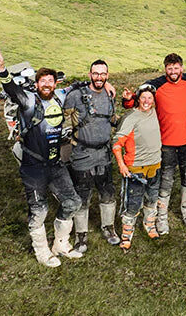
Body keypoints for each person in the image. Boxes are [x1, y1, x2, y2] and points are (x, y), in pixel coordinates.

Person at [0, 46, 82, 267]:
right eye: (43, 81)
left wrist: (102, 84)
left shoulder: (60, 96)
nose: (47, 84)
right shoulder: (28, 100)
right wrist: (2, 68)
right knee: (39, 210)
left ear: (55, 83)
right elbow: (11, 89)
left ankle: (60, 244)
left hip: (55, 163)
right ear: (37, 83)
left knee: (72, 202)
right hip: (33, 167)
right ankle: (42, 251)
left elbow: (78, 86)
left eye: (50, 81)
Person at [122, 53, 186, 235]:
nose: (173, 71)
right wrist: (127, 99)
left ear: (182, 68)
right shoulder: (156, 84)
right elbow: (137, 99)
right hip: (166, 143)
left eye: (176, 67)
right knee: (166, 178)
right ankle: (161, 217)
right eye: (169, 68)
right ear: (165, 69)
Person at [62, 59, 121, 249]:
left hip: (103, 153)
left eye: (103, 74)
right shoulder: (75, 96)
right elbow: (64, 124)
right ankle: (81, 235)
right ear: (89, 75)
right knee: (82, 195)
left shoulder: (109, 94)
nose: (99, 77)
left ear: (107, 75)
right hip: (81, 153)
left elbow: (112, 119)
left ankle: (109, 228)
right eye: (95, 73)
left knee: (107, 192)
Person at [111, 87, 162, 250]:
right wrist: (121, 164)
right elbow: (117, 143)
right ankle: (127, 234)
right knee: (132, 203)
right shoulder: (131, 117)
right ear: (138, 99)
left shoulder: (155, 112)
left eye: (150, 98)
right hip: (136, 169)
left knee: (152, 199)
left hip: (155, 165)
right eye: (143, 98)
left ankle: (149, 225)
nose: (147, 101)